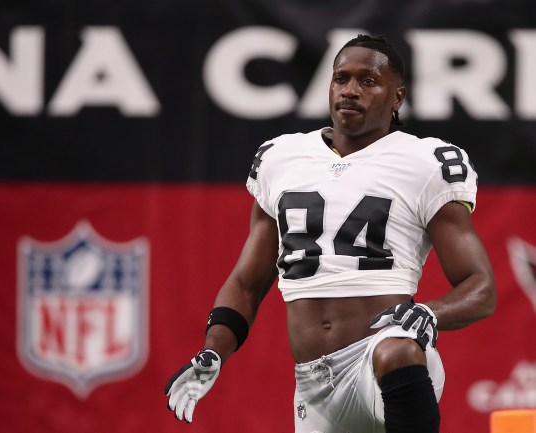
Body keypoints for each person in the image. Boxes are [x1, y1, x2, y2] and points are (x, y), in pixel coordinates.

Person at [164, 34, 496, 433]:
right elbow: (246, 284)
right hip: (313, 383)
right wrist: (213, 350)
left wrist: (430, 313)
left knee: (398, 351)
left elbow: (480, 287)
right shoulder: (281, 158)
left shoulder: (426, 162)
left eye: (368, 81)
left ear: (398, 97)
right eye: (341, 78)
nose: (350, 90)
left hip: (380, 361)